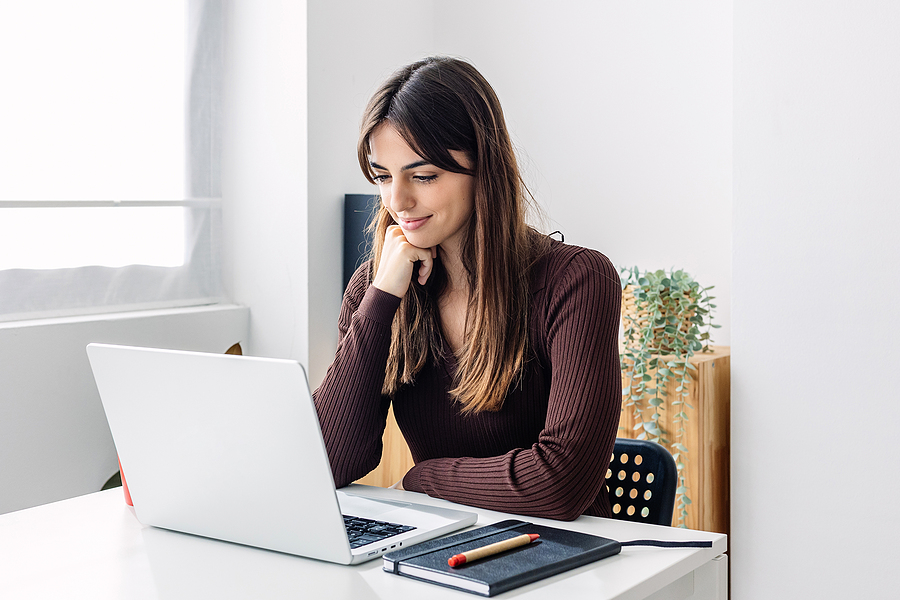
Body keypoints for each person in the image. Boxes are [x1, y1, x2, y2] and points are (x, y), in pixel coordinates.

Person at [313, 57, 621, 521]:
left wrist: (425, 480)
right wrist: (379, 302)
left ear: (484, 167)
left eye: (423, 175)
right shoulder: (379, 290)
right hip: (442, 546)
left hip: (564, 557)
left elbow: (561, 484)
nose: (397, 201)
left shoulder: (577, 281)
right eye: (382, 176)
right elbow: (329, 462)